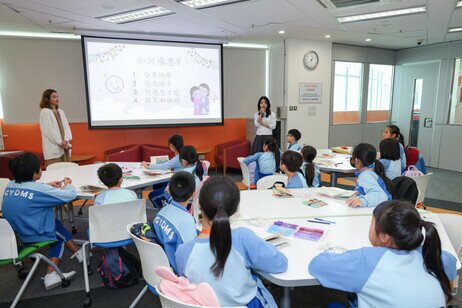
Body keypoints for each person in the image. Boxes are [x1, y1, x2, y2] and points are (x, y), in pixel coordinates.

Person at [309, 200, 457, 308]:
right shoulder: (428, 255)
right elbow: (451, 264)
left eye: (371, 222)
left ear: (384, 236)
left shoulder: (367, 260)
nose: (370, 225)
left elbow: (317, 265)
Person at [175, 176, 288, 307]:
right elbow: (280, 264)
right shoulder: (243, 238)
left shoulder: (183, 251)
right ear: (235, 209)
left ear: (199, 203)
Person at [2, 152, 83, 290]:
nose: (41, 170)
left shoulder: (10, 185)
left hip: (13, 234)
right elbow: (70, 195)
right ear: (34, 173)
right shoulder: (38, 189)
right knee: (59, 239)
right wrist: (68, 184)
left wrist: (47, 185)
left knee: (56, 225)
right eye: (39, 168)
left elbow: (29, 190)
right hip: (31, 233)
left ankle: (79, 252)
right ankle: (51, 276)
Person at [153, 171, 197, 273]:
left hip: (161, 264)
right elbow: (192, 255)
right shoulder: (187, 220)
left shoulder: (161, 212)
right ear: (194, 193)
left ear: (168, 190)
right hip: (177, 272)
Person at [346, 143, 393, 208]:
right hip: (384, 208)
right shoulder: (373, 169)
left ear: (356, 160)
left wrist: (362, 200)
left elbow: (381, 195)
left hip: (381, 211)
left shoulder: (365, 175)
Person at [39, 89, 73, 168]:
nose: (57, 99)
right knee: (55, 174)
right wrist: (60, 142)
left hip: (64, 148)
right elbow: (49, 131)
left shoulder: (61, 111)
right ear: (47, 99)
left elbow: (66, 127)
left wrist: (66, 140)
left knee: (67, 171)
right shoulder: (44, 112)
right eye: (54, 97)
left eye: (57, 97)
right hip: (53, 150)